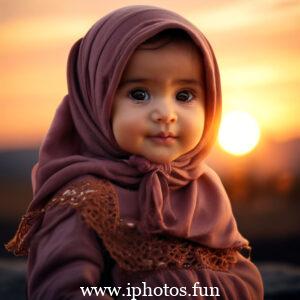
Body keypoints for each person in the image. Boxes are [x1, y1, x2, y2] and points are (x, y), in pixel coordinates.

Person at [5, 5, 264, 299]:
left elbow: (241, 275)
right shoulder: (85, 199)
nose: (166, 113)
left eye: (184, 95)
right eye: (139, 94)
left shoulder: (203, 187)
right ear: (96, 101)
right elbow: (61, 290)